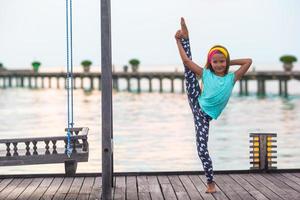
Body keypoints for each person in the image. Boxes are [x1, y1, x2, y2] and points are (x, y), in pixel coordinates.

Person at [175, 17, 252, 193]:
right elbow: (187, 62)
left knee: (202, 150)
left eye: (221, 61)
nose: (218, 64)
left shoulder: (232, 78)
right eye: (215, 62)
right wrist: (178, 40)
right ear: (210, 63)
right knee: (188, 70)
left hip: (204, 117)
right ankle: (185, 38)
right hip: (197, 102)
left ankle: (210, 182)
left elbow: (248, 61)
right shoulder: (206, 74)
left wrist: (227, 58)